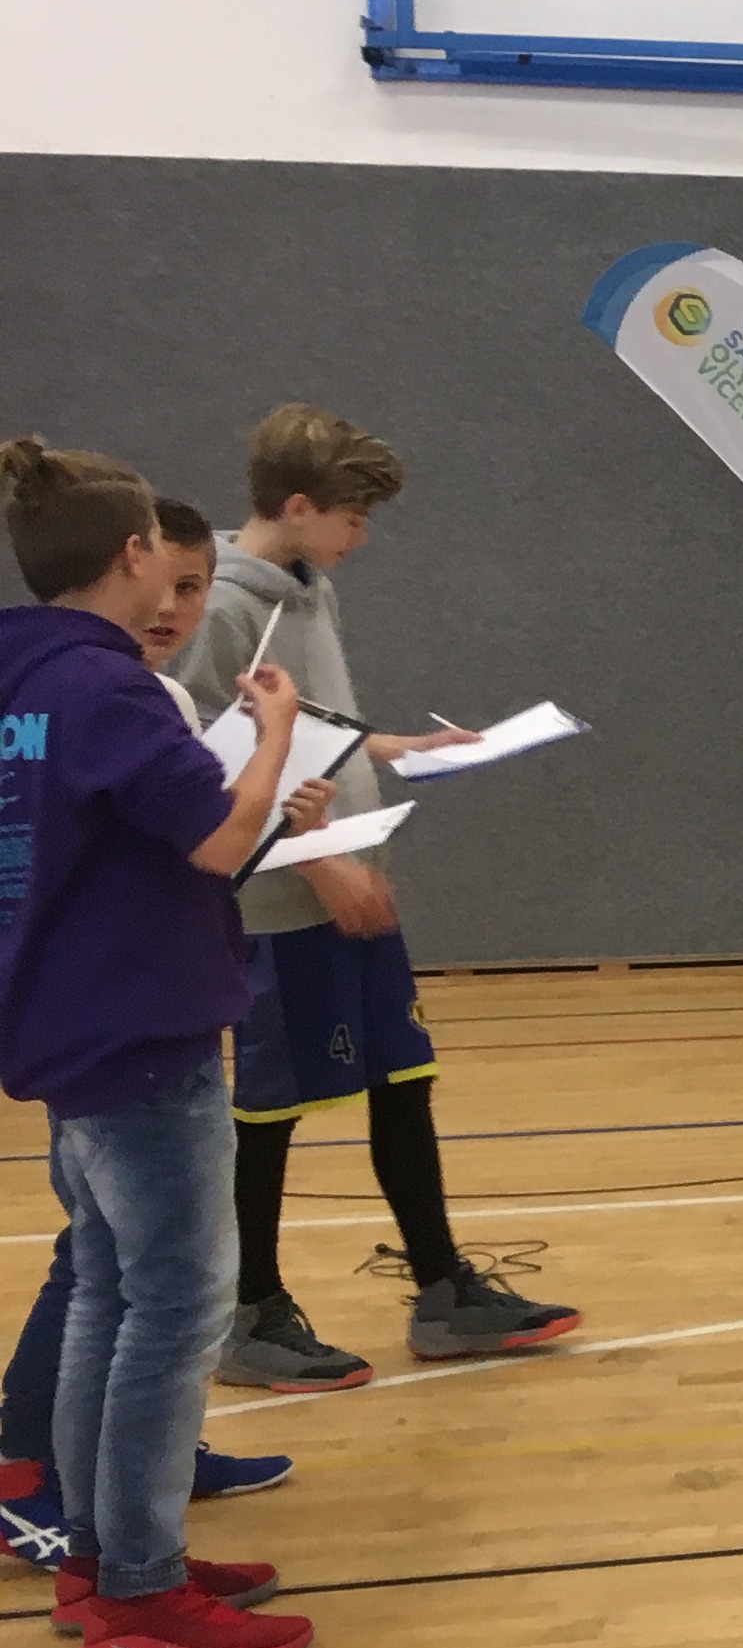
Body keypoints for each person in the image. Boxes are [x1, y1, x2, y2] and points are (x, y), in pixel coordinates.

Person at [171, 405, 577, 1387]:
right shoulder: (225, 609)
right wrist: (319, 864)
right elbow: (217, 768)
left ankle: (444, 1293)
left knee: (403, 1077)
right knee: (269, 1107)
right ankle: (250, 1312)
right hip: (282, 905)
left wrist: (398, 747)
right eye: (352, 517)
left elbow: (314, 726)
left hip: (351, 879)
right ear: (297, 506)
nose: (361, 537)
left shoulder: (310, 591)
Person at [0, 438, 316, 1648]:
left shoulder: (25, 679)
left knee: (105, 1294)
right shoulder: (110, 689)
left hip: (67, 1023)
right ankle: (138, 1595)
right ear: (133, 554)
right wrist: (276, 735)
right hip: (137, 1030)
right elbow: (217, 837)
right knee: (174, 1308)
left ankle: (102, 1555)